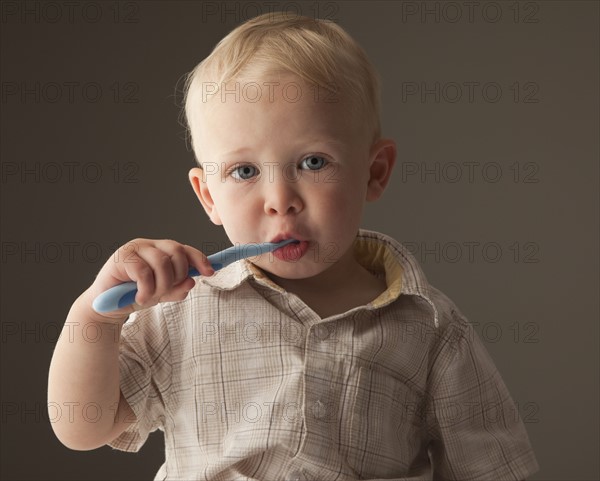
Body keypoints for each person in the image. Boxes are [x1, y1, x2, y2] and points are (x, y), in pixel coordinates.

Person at [48, 11, 540, 481]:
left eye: (313, 163)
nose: (280, 201)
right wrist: (96, 318)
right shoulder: (181, 307)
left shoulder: (429, 327)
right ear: (208, 197)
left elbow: (494, 469)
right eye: (245, 172)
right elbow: (82, 427)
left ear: (374, 172)